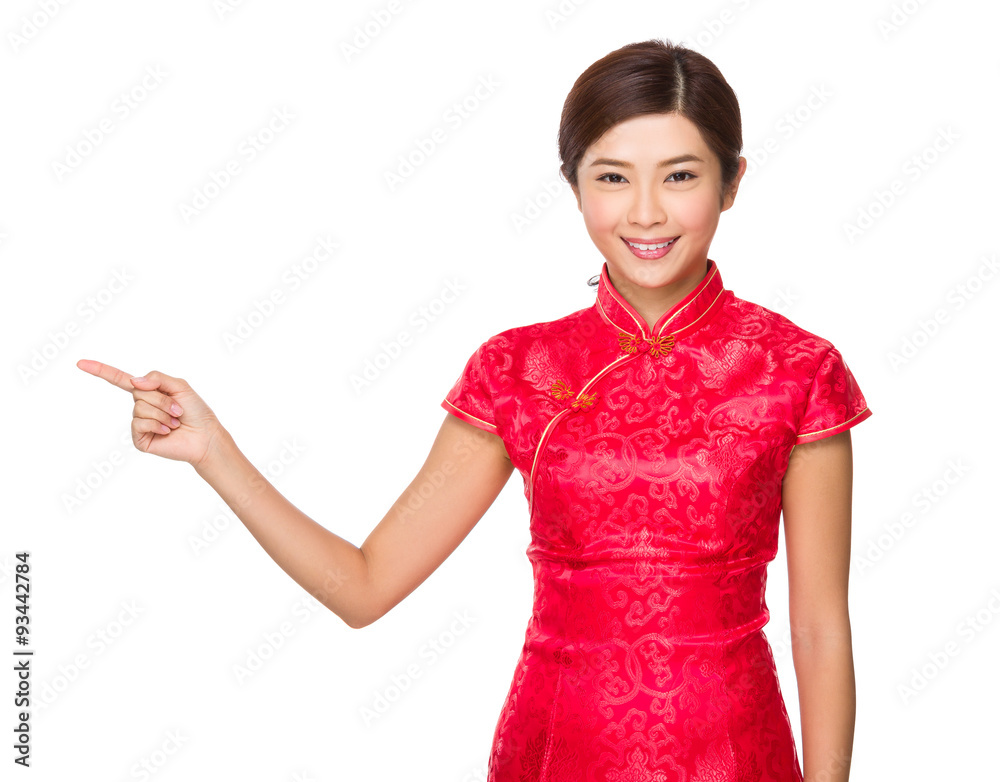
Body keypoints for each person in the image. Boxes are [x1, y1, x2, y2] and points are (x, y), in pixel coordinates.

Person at [78, 38, 869, 782]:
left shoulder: (798, 369)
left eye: (680, 176)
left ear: (732, 181)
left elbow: (819, 630)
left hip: (735, 755)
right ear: (574, 185)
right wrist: (216, 454)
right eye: (612, 177)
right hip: (553, 752)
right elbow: (365, 587)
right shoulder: (517, 369)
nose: (646, 213)